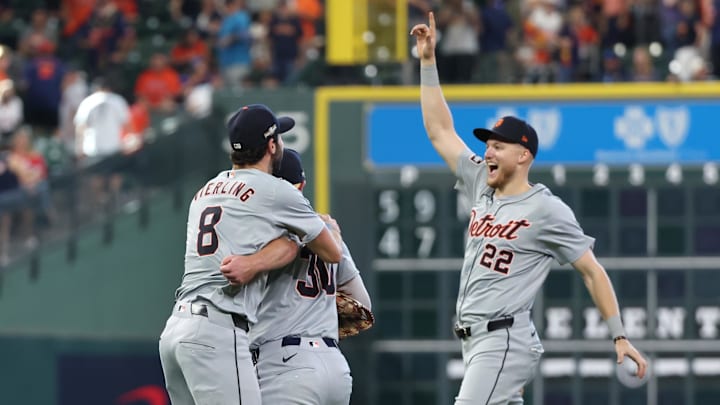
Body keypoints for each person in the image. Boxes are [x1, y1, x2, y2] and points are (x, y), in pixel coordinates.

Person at [410, 12, 647, 405]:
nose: (488, 152)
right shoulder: (479, 185)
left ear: (523, 156)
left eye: (498, 146)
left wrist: (619, 335)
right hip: (474, 342)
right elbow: (440, 131)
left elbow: (591, 270)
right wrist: (428, 62)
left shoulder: (546, 209)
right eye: (487, 145)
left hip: (504, 339)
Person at [158, 104, 343, 405]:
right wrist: (326, 228)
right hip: (217, 328)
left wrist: (254, 262)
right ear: (271, 145)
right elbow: (331, 252)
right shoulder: (275, 191)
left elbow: (274, 241)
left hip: (176, 331)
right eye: (279, 138)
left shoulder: (205, 190)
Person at [219, 149, 371, 405]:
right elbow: (362, 304)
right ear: (301, 185)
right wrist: (315, 310)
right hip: (334, 366)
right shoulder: (329, 234)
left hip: (284, 364)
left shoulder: (259, 232)